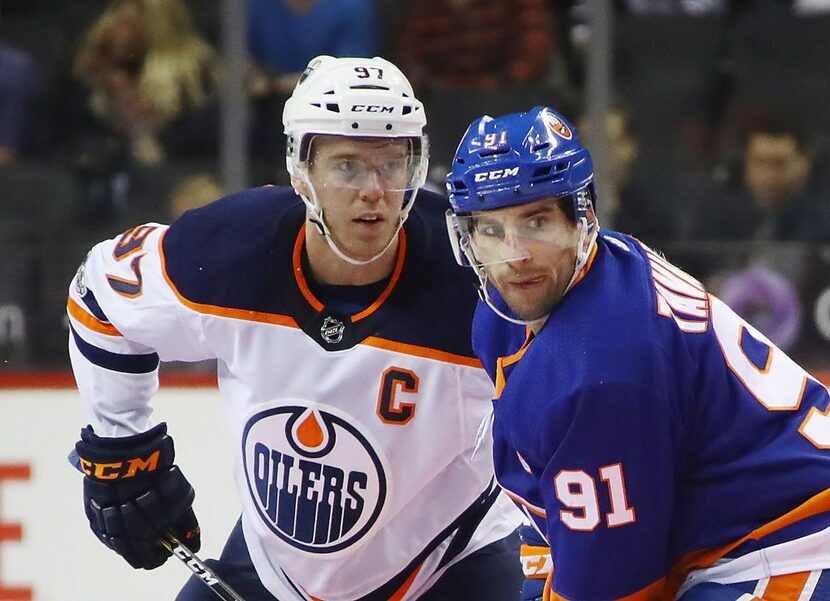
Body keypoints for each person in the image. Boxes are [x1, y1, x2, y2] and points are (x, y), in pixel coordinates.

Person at [66, 55, 523, 601]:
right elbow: (98, 293)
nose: (373, 190)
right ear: (300, 169)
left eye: (392, 163)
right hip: (273, 569)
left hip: (448, 561)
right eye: (347, 165)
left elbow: (568, 387)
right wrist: (123, 448)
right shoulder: (227, 251)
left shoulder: (476, 274)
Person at [444, 105, 830, 600]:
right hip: (728, 535)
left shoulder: (600, 371)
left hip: (793, 543)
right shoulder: (517, 305)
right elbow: (554, 516)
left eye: (536, 221)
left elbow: (615, 590)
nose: (515, 254)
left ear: (582, 217)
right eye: (491, 230)